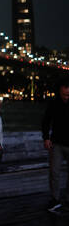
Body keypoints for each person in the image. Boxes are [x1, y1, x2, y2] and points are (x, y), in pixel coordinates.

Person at [42, 80, 69, 212]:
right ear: (60, 92)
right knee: (54, 172)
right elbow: (46, 121)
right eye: (64, 95)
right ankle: (55, 199)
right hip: (57, 143)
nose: (66, 97)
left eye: (68, 95)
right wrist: (46, 138)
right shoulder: (54, 103)